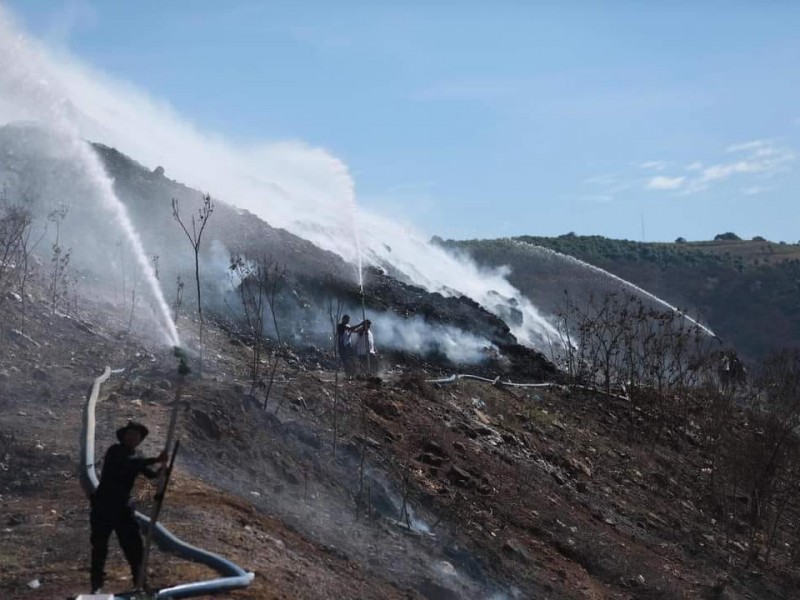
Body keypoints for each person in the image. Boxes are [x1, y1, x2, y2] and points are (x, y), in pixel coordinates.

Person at [90, 421, 167, 593]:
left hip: (123, 508)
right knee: (100, 546)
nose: (133, 437)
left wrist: (162, 472)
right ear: (123, 437)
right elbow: (131, 463)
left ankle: (140, 583)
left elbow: (149, 474)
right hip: (103, 506)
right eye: (130, 434)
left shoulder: (137, 457)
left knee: (134, 547)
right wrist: (155, 459)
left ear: (140, 439)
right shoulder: (115, 451)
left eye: (136, 435)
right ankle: (97, 587)